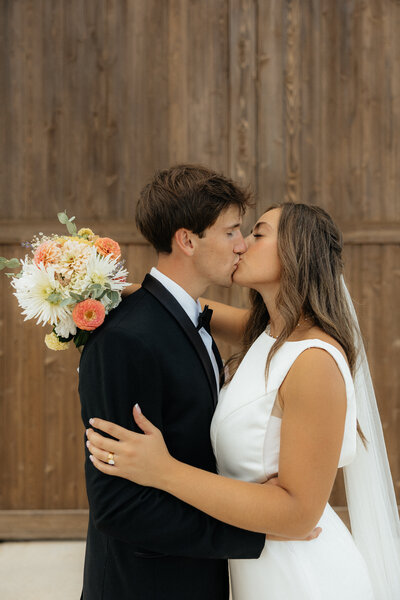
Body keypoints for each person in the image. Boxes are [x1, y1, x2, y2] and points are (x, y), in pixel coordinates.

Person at [86, 202, 400, 599]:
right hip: (254, 561)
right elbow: (185, 308)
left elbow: (300, 515)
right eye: (238, 233)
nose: (242, 245)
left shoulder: (314, 362)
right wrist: (92, 291)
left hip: (300, 573)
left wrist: (163, 470)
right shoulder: (268, 334)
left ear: (295, 251)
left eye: (258, 233)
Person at [79, 166, 319, 600]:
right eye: (230, 232)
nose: (242, 245)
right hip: (147, 585)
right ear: (187, 241)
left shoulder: (188, 318)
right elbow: (117, 507)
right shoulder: (125, 339)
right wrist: (258, 532)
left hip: (200, 575)